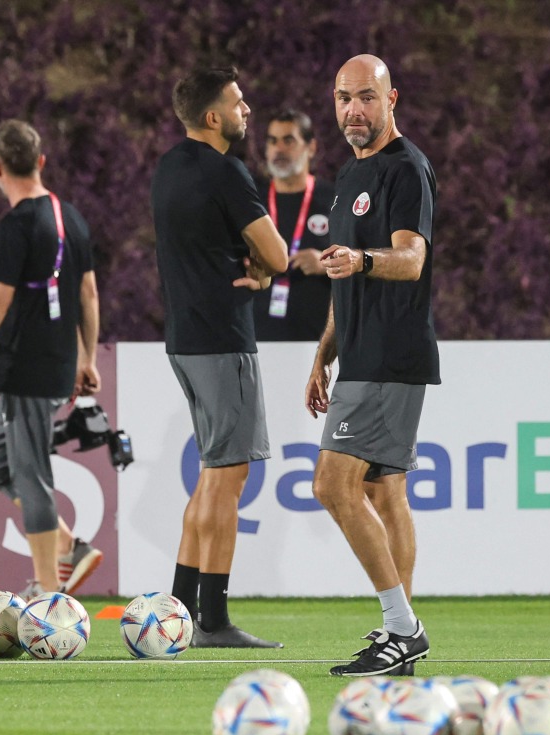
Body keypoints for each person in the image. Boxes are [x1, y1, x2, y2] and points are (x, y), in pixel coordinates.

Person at [305, 55, 439, 677]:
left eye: (365, 98)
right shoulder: (347, 172)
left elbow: (410, 260)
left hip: (391, 355)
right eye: (342, 98)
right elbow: (344, 270)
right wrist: (324, 353)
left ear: (392, 101)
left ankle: (402, 630)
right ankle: (397, 641)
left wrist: (360, 260)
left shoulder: (406, 169)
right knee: (386, 492)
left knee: (333, 486)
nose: (353, 111)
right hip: (362, 355)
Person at [151, 66, 289, 648]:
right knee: (229, 480)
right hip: (223, 340)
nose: (247, 109)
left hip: (184, 337)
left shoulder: (169, 168)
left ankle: (179, 613)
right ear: (213, 117)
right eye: (237, 102)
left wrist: (249, 264)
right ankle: (212, 619)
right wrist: (260, 271)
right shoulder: (227, 173)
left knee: (211, 478)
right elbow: (279, 255)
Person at [0, 119, 103, 600]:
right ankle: (71, 548)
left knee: (31, 476)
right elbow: (88, 292)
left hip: (26, 369)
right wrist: (86, 356)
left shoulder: (17, 224)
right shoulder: (70, 216)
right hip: (54, 363)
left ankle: (48, 594)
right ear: (41, 162)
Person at [251, 109, 336, 341]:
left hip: (319, 343)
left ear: (311, 147)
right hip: (258, 343)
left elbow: (361, 261)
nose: (279, 148)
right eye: (272, 141)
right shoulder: (251, 202)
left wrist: (325, 264)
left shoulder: (335, 200)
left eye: (289, 140)